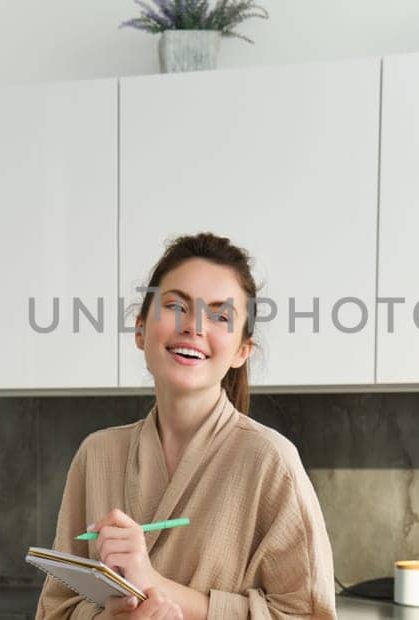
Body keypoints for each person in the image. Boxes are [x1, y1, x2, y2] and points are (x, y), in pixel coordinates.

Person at [35, 232, 336, 619]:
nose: (194, 326)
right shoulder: (97, 455)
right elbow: (55, 609)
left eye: (220, 315)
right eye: (175, 306)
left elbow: (308, 614)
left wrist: (151, 582)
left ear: (242, 351)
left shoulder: (269, 461)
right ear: (140, 329)